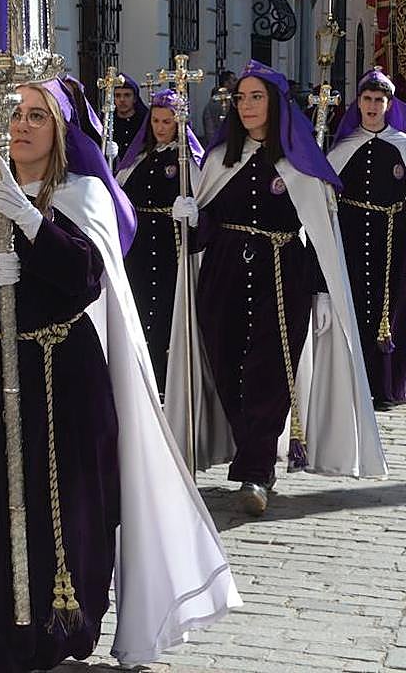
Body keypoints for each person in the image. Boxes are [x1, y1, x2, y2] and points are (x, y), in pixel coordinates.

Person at [0, 78, 239, 672]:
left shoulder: (84, 195)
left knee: (75, 509)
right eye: (14, 114)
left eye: (36, 116)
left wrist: (35, 226)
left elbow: (85, 275)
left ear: (62, 130)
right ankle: (1, 637)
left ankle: (59, 629)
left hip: (63, 376)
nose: (21, 126)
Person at [166, 61, 387, 516]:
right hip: (222, 278)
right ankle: (251, 455)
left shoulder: (299, 162)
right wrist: (192, 219)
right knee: (227, 370)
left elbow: (322, 231)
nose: (246, 106)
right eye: (240, 98)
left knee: (271, 373)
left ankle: (256, 468)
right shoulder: (218, 158)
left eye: (256, 97)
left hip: (283, 276)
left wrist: (323, 291)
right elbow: (203, 233)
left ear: (275, 104)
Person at [115, 89, 204, 398]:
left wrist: (192, 214)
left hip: (171, 249)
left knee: (168, 312)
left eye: (168, 121)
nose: (161, 127)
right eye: (156, 120)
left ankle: (169, 380)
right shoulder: (139, 159)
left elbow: (207, 201)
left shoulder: (189, 162)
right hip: (139, 250)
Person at [327, 68, 406, 410]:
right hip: (354, 236)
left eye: (379, 100)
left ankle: (386, 385)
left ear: (389, 105)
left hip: (395, 237)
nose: (373, 106)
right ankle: (355, 382)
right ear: (358, 103)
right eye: (367, 99)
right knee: (356, 301)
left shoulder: (401, 146)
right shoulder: (344, 147)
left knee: (392, 308)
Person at [109, 73, 148, 167]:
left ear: (134, 98)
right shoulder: (107, 120)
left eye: (127, 95)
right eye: (118, 96)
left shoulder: (145, 120)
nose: (122, 100)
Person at [200, 69, 237, 144]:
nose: (237, 82)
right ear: (226, 83)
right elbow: (210, 127)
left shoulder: (232, 99)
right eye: (234, 80)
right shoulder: (216, 102)